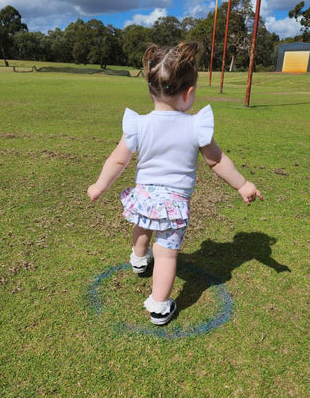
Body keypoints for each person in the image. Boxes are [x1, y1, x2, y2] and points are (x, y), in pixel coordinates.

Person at [87, 42, 263, 326]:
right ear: (189, 93)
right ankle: (158, 306)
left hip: (144, 196)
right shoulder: (196, 126)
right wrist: (242, 185)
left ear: (150, 88)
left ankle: (138, 257)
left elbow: (118, 161)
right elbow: (217, 161)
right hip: (173, 205)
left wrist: (99, 185)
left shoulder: (138, 124)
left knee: (142, 227)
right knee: (167, 255)